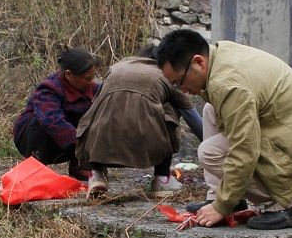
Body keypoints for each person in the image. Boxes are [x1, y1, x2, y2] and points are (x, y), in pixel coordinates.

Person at [156, 29, 292, 230]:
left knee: (210, 153)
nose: (182, 90)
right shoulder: (218, 56)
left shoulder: (228, 85)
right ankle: (226, 197)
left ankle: (285, 205)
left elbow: (244, 151)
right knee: (210, 110)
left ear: (199, 62)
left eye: (180, 81)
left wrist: (222, 207)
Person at [76, 47, 204, 197]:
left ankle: (96, 174)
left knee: (102, 110)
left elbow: (95, 102)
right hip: (145, 138)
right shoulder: (166, 75)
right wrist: (211, 145)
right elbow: (192, 117)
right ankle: (162, 178)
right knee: (170, 107)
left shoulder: (115, 68)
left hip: (101, 138)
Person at [13, 48, 101, 180]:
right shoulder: (48, 89)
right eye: (87, 78)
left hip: (70, 142)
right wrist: (82, 144)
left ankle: (80, 165)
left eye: (92, 77)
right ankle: (35, 166)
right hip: (34, 139)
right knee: (40, 121)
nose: (91, 82)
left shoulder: (93, 89)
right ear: (69, 74)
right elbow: (52, 121)